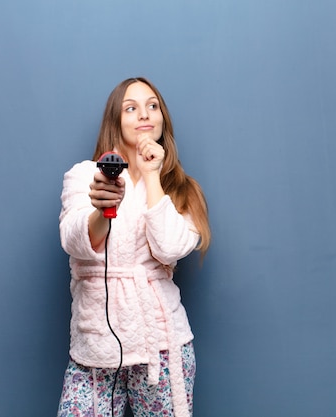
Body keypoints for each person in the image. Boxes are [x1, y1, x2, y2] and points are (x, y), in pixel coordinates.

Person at [57, 77, 211, 417]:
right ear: (116, 119)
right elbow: (73, 240)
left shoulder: (181, 190)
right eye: (131, 107)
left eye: (152, 106)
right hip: (96, 343)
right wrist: (101, 210)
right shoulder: (85, 176)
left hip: (161, 345)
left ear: (162, 119)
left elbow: (169, 248)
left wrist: (152, 174)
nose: (144, 114)